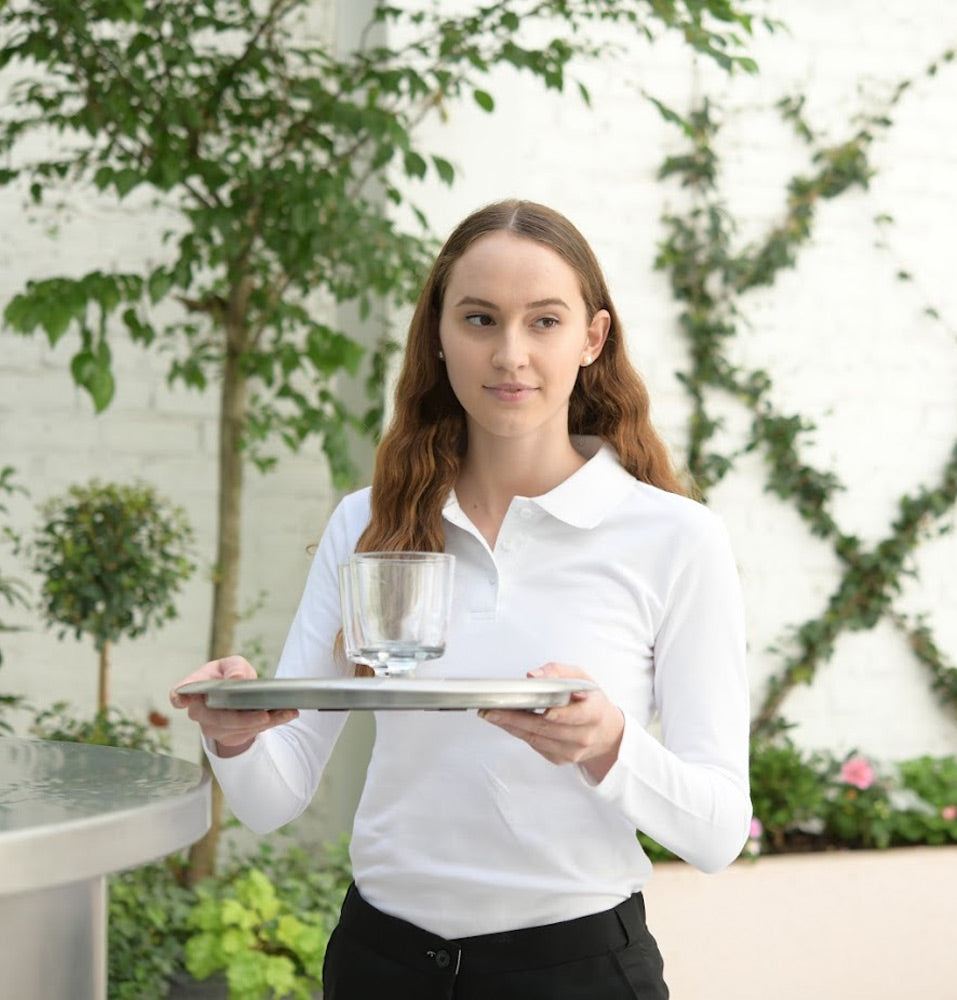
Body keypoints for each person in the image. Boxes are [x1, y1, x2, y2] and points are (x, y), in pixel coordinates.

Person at [171, 199, 751, 999]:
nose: (510, 354)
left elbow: (719, 831)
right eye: (479, 319)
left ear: (593, 338)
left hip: (575, 972)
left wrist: (609, 742)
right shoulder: (368, 521)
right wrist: (233, 735)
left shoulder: (676, 538)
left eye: (543, 322)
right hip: (382, 965)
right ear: (438, 337)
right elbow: (275, 797)